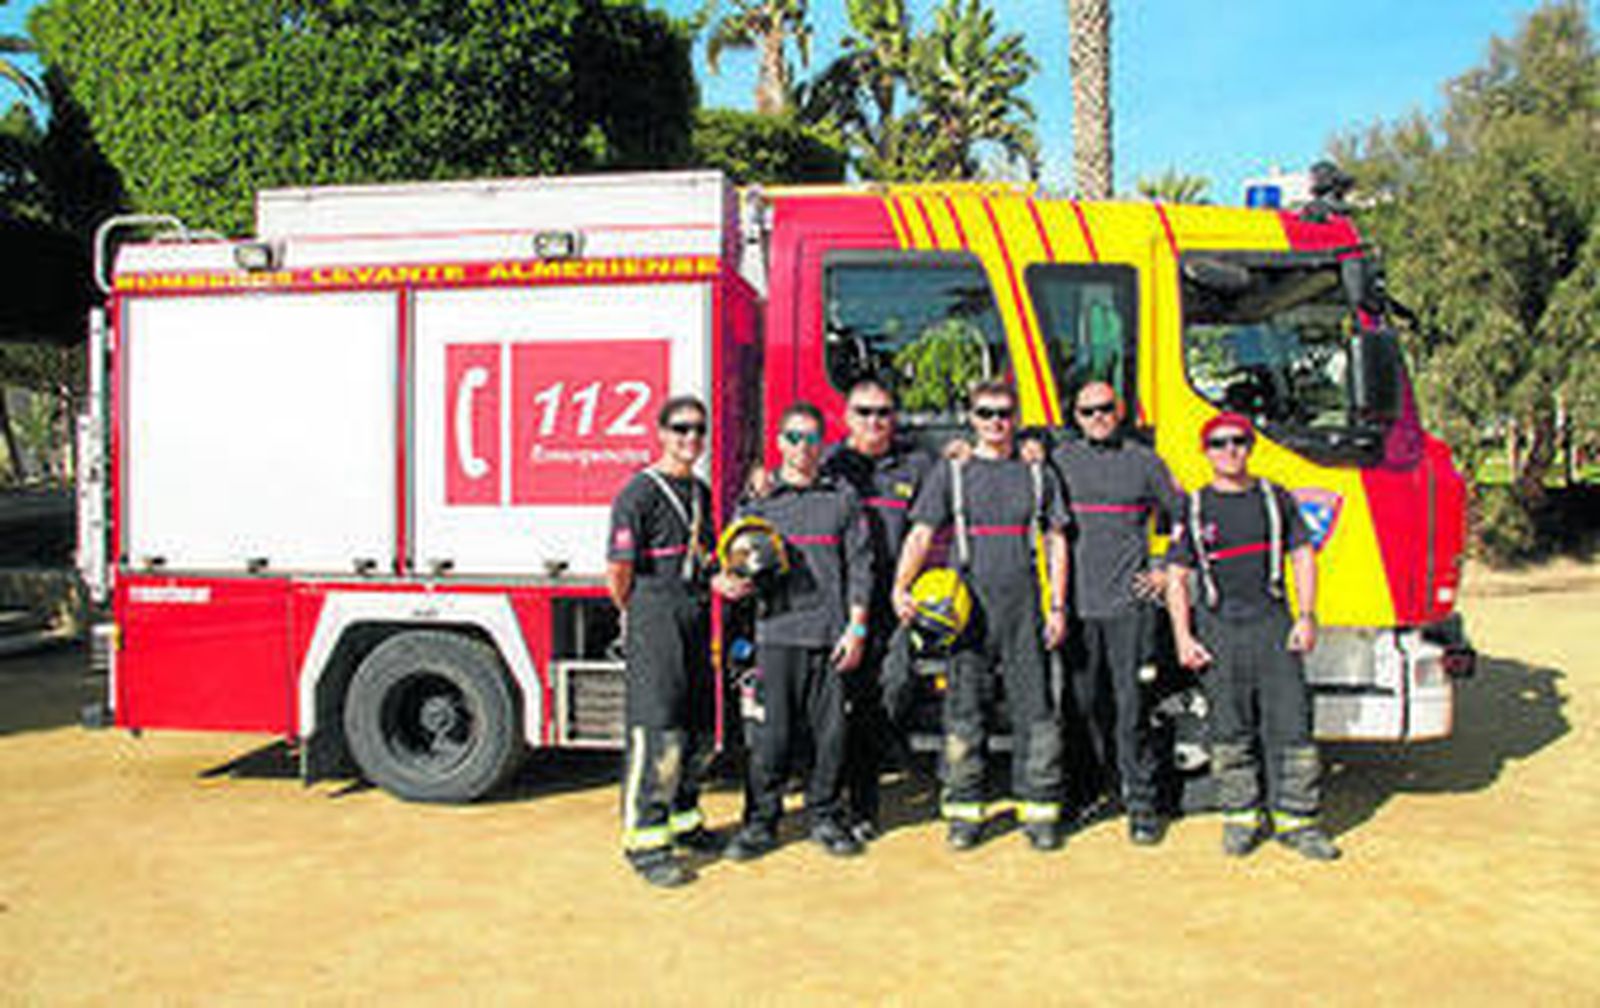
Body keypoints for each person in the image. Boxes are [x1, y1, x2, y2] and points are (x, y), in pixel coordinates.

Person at [892, 381, 1071, 852]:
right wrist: (900, 586)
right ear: (971, 418)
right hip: (968, 610)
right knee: (964, 713)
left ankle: (1039, 810)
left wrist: (1057, 606)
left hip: (1027, 607)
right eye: (987, 413)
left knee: (1037, 713)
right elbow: (921, 533)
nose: (996, 422)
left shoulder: (1038, 473)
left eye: (1005, 413)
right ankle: (964, 811)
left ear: (1016, 418)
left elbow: (1056, 541)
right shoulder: (952, 473)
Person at [1164, 412, 1341, 860]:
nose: (1230, 450)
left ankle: (1298, 823)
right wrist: (1183, 637)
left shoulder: (1274, 498)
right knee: (1229, 730)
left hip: (1273, 626)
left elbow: (1302, 555)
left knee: (1292, 727)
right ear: (1205, 452)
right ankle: (1240, 819)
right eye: (1219, 443)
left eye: (1238, 441)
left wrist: (1306, 616)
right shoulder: (1194, 506)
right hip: (1219, 630)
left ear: (1250, 446)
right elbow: (1176, 577)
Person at [717, 402, 875, 861]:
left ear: (822, 444)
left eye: (811, 438)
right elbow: (731, 560)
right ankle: (759, 824)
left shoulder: (841, 497)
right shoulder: (759, 502)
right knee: (770, 739)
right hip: (774, 635)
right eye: (793, 437)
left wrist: (856, 629)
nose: (802, 447)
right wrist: (727, 582)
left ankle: (825, 818)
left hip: (830, 638)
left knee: (831, 739)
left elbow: (860, 567)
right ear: (779, 442)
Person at [1052, 381, 1183, 846]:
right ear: (1076, 417)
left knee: (1133, 709)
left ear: (1120, 410)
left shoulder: (1144, 462)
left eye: (1106, 408)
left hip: (1131, 608)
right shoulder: (1061, 460)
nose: (1098, 417)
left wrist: (1164, 566)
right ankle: (1084, 796)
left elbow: (1183, 514)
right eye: (1087, 411)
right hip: (1078, 608)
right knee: (1081, 708)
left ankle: (1141, 805)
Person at [605, 395, 721, 888]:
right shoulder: (639, 493)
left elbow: (705, 556)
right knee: (658, 728)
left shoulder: (699, 491)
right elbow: (619, 571)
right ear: (661, 433)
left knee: (696, 726)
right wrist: (637, 613)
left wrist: (719, 580)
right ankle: (645, 842)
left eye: (698, 429)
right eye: (680, 429)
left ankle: (684, 819)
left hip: (693, 614)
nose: (690, 438)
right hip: (655, 616)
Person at [819, 378, 933, 843]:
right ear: (847, 416)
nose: (874, 421)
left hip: (892, 604)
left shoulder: (916, 465)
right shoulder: (828, 464)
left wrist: (963, 451)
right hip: (837, 605)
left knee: (891, 689)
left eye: (883, 412)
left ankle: (863, 794)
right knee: (834, 708)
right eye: (864, 412)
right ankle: (841, 806)